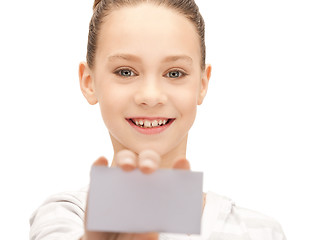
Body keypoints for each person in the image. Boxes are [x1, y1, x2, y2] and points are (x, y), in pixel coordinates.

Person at [29, 0, 286, 239]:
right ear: (89, 82)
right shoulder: (66, 216)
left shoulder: (258, 231)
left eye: (174, 73)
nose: (151, 97)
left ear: (202, 84)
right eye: (125, 71)